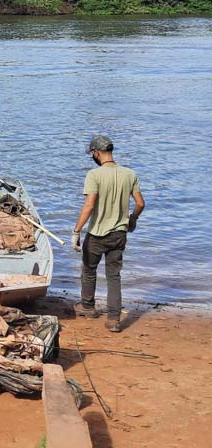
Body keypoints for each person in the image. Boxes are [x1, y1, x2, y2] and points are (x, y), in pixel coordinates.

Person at [71, 135, 145, 332]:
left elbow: (89, 205)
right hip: (119, 234)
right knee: (114, 276)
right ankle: (114, 320)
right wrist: (132, 220)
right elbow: (140, 203)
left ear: (96, 153)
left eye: (92, 154)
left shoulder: (94, 175)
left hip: (96, 234)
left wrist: (76, 231)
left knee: (89, 270)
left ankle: (88, 307)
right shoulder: (129, 174)